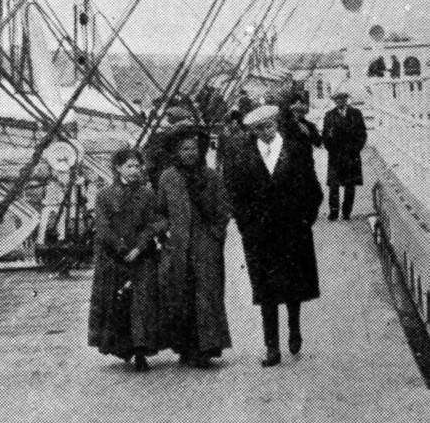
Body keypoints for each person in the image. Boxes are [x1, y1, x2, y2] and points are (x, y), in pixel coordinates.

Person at [223, 105, 322, 367]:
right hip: (260, 235)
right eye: (258, 129)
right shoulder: (242, 155)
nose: (265, 132)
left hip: (293, 230)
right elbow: (234, 195)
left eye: (268, 126)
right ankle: (272, 347)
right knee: (266, 291)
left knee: (293, 286)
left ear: (276, 124)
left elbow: (313, 189)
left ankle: (294, 328)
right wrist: (246, 226)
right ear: (252, 131)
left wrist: (305, 219)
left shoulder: (297, 150)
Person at [156, 125, 232, 368]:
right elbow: (159, 211)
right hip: (178, 246)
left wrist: (215, 236)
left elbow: (223, 211)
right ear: (177, 152)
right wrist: (165, 230)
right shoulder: (168, 177)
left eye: (195, 149)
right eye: (185, 149)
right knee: (180, 295)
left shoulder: (212, 177)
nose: (191, 153)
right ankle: (185, 348)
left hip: (206, 246)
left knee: (206, 296)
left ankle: (206, 348)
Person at [88, 147, 165, 371]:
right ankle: (125, 348)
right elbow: (103, 227)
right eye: (129, 166)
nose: (135, 170)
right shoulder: (105, 195)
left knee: (142, 304)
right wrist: (122, 249)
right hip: (114, 258)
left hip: (142, 257)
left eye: (137, 166)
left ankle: (141, 351)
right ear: (118, 168)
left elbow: (153, 223)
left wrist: (140, 247)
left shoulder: (147, 194)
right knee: (119, 303)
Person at [322, 89, 367, 220]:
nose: (339, 101)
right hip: (336, 155)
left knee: (350, 185)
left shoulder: (356, 114)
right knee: (334, 186)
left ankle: (347, 212)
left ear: (346, 99)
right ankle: (334, 212)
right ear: (334, 101)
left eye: (342, 98)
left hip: (351, 154)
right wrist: (330, 148)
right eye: (337, 99)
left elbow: (362, 133)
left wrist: (356, 148)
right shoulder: (329, 115)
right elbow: (325, 135)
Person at [280, 91, 322, 162]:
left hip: (306, 162)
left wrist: (309, 133)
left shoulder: (309, 125)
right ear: (291, 111)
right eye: (295, 110)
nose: (298, 113)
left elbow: (318, 143)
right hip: (290, 162)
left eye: (301, 111)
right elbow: (282, 142)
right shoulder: (284, 125)